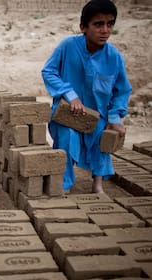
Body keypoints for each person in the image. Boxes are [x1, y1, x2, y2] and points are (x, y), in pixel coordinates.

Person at [41, 0, 132, 194]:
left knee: (102, 136)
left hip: (98, 115)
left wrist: (115, 117)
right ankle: (65, 184)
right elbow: (49, 71)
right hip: (68, 114)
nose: (105, 30)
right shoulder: (68, 46)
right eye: (98, 24)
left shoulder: (113, 56)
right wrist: (70, 95)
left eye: (110, 24)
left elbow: (122, 90)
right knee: (67, 137)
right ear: (83, 27)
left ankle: (98, 183)